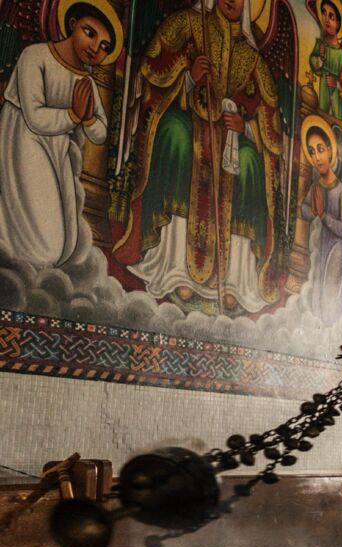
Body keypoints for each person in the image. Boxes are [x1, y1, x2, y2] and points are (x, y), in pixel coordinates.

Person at [116, 0, 285, 315]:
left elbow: (271, 127)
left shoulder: (252, 60)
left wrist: (245, 128)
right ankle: (172, 268)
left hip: (231, 141)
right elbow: (151, 71)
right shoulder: (185, 25)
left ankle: (235, 282)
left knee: (249, 163)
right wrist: (189, 79)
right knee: (176, 137)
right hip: (186, 119)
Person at [0, 0, 118, 268]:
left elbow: (100, 133)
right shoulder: (35, 56)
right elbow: (34, 117)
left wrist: (87, 119)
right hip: (23, 141)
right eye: (90, 33)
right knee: (46, 247)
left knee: (68, 245)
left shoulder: (85, 80)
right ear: (73, 23)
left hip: (59, 149)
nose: (95, 47)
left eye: (104, 47)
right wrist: (74, 116)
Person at [298, 117, 342, 324]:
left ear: (330, 151)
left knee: (330, 293)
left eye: (320, 149)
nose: (317, 157)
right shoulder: (316, 186)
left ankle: (331, 334)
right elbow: (304, 209)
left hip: (339, 248)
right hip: (323, 245)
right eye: (312, 152)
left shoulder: (339, 190)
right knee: (319, 291)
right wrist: (311, 211)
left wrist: (322, 215)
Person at [309, 0, 342, 120]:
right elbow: (313, 62)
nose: (326, 19)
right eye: (324, 13)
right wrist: (320, 59)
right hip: (324, 93)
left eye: (331, 16)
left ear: (338, 23)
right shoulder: (321, 44)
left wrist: (337, 84)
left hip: (337, 101)